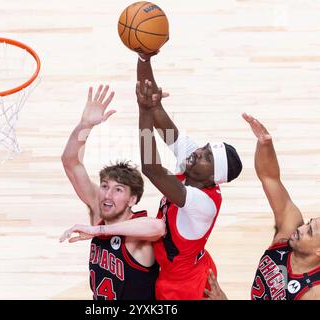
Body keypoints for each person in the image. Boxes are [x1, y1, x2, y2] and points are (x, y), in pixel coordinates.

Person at [63, 54, 243, 300]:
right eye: (204, 148)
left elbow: (151, 168)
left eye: (207, 157)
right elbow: (158, 111)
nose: (197, 152)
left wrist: (143, 109)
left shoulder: (203, 203)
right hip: (179, 270)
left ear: (212, 178)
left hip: (185, 286)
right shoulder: (194, 166)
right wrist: (144, 58)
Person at [204, 113, 320, 300]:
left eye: (309, 231)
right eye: (308, 223)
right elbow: (270, 177)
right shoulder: (288, 234)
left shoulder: (315, 292)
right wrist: (265, 144)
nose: (300, 227)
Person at [60, 84, 162, 300]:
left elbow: (157, 227)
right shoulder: (100, 212)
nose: (107, 194)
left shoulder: (139, 234)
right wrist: (84, 125)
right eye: (105, 186)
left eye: (118, 190)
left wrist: (98, 232)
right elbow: (71, 163)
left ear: (132, 199)